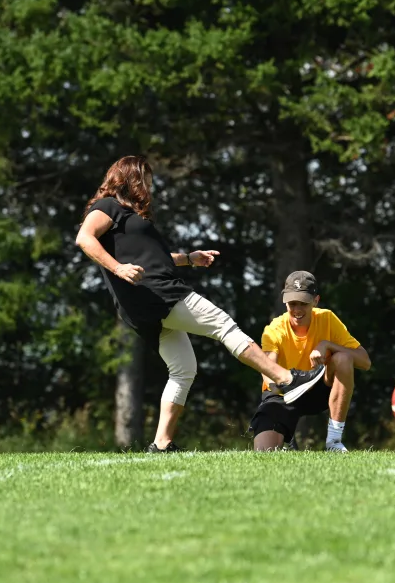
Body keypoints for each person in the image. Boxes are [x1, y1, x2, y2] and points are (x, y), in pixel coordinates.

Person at [75, 156, 327, 453]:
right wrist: (118, 268)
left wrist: (188, 259)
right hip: (158, 294)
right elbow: (84, 238)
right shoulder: (107, 206)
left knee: (183, 369)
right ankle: (287, 379)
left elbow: (154, 260)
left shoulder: (134, 218)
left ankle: (161, 444)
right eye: (146, 178)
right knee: (223, 324)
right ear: (130, 178)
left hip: (148, 303)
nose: (151, 185)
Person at [248, 271, 371, 452]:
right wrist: (289, 385)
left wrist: (327, 345)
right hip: (282, 393)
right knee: (263, 453)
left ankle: (334, 442)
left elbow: (365, 362)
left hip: (319, 388)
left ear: (316, 300)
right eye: (292, 303)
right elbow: (268, 376)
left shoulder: (328, 318)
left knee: (343, 358)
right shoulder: (274, 329)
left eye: (303, 303)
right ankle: (288, 441)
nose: (297, 309)